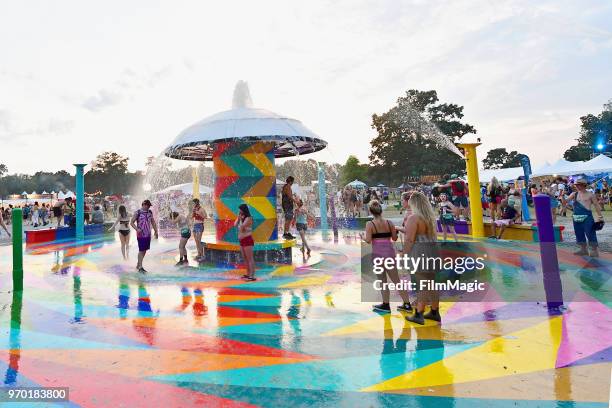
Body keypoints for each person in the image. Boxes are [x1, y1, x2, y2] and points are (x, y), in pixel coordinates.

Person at [361, 200, 412, 313]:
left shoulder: (370, 224)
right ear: (381, 210)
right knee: (396, 280)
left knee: (383, 281)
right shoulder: (389, 223)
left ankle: (386, 305)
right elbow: (394, 238)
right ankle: (407, 304)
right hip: (389, 254)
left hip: (378, 255)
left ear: (370, 211)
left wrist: (362, 236)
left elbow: (368, 240)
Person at [400, 191, 439, 325]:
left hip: (419, 251)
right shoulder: (430, 218)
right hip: (432, 250)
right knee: (431, 282)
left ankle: (419, 313)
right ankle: (434, 311)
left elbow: (410, 239)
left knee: (423, 283)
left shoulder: (414, 218)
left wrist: (403, 254)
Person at [565, 178, 603, 257]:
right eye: (577, 185)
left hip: (587, 217)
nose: (577, 186)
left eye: (579, 185)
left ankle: (594, 250)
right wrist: (562, 197)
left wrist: (600, 216)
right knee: (579, 233)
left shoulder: (590, 194)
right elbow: (565, 201)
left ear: (584, 185)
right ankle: (583, 249)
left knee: (590, 232)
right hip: (576, 217)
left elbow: (596, 205)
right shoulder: (574, 194)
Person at [130, 200, 158, 273]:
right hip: (141, 234)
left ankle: (138, 264)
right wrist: (137, 229)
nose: (149, 207)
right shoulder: (138, 212)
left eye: (149, 206)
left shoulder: (150, 212)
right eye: (148, 205)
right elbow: (131, 222)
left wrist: (156, 231)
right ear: (144, 205)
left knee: (144, 250)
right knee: (141, 250)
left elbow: (153, 222)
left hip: (148, 234)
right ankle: (140, 267)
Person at [235, 204, 255, 281]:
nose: (239, 212)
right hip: (242, 240)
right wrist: (238, 218)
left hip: (247, 239)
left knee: (250, 258)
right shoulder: (241, 218)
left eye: (240, 210)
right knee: (245, 258)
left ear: (244, 210)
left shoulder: (249, 218)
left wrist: (240, 219)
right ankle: (248, 274)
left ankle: (252, 275)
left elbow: (242, 228)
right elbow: (235, 225)